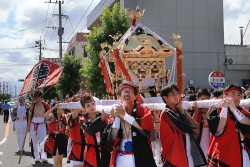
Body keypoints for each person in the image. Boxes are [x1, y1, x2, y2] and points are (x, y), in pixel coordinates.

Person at [109, 82, 157, 167]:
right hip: (121, 156)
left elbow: (145, 131)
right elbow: (111, 139)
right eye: (124, 91)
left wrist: (124, 116)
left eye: (129, 91)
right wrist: (117, 117)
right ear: (120, 96)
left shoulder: (143, 110)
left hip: (141, 155)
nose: (127, 93)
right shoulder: (115, 111)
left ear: (135, 96)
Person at [160, 83, 206, 167]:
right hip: (174, 157)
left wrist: (184, 112)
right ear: (165, 97)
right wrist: (182, 112)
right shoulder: (166, 113)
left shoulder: (180, 111)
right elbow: (184, 129)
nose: (176, 96)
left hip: (187, 156)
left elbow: (197, 129)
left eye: (177, 93)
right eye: (172, 94)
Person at [207, 84, 250, 166]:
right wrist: (225, 108)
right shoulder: (216, 108)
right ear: (225, 95)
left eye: (239, 95)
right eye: (233, 94)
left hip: (241, 151)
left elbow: (247, 121)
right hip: (223, 152)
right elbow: (219, 129)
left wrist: (233, 109)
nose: (236, 97)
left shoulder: (241, 111)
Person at [80, 93, 110, 167]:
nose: (91, 106)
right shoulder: (83, 120)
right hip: (91, 152)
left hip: (105, 151)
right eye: (88, 105)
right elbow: (90, 131)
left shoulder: (104, 116)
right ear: (84, 108)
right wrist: (103, 117)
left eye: (93, 104)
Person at [44, 102, 68, 167]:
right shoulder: (52, 116)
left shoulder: (65, 117)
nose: (59, 110)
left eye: (61, 109)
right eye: (58, 109)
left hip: (62, 137)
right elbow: (45, 115)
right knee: (56, 160)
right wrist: (54, 107)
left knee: (60, 161)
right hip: (53, 138)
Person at [29, 91, 50, 164]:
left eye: (39, 97)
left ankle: (44, 157)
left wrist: (49, 117)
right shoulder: (33, 105)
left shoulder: (45, 105)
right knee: (35, 142)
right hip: (33, 124)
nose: (38, 99)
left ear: (42, 97)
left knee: (43, 141)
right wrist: (31, 106)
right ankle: (37, 157)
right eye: (36, 97)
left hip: (42, 124)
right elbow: (29, 114)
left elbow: (49, 114)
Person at [191, 88, 210, 160]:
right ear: (197, 99)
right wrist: (196, 111)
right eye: (202, 99)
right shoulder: (192, 110)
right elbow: (191, 125)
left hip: (210, 146)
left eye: (207, 99)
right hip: (196, 146)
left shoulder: (212, 111)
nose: (205, 102)